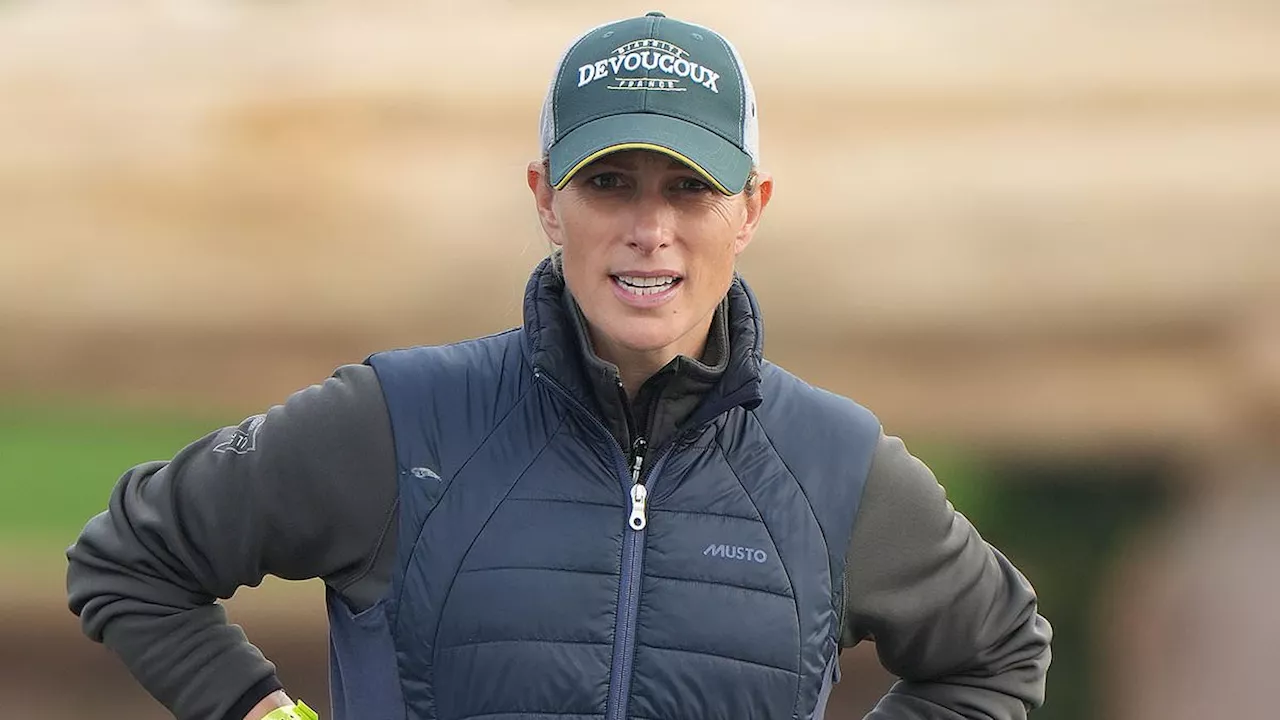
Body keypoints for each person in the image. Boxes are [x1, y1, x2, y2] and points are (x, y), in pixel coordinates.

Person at [66, 11, 1051, 720]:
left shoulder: (837, 468)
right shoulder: (397, 424)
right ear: (545, 197)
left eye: (688, 189)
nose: (649, 231)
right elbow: (131, 559)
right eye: (608, 183)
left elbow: (996, 654)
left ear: (749, 209)